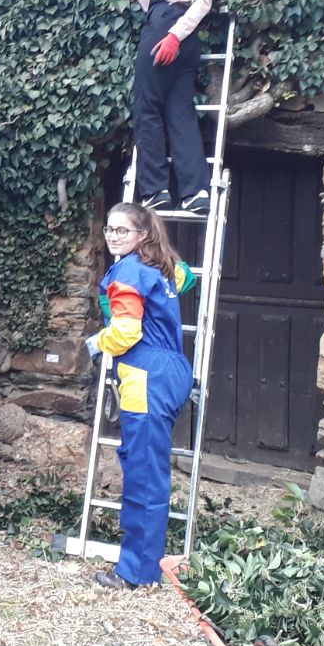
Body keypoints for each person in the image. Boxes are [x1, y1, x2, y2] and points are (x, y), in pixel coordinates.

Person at [86, 201, 194, 589]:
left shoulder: (129, 271)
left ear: (142, 234)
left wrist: (94, 343)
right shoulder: (162, 267)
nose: (113, 237)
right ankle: (144, 562)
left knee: (144, 475)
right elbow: (187, 277)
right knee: (147, 466)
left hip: (145, 375)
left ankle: (137, 572)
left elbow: (126, 332)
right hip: (172, 370)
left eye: (123, 230)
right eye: (109, 229)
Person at [124, 0, 228, 212]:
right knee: (180, 113)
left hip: (170, 30)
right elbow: (151, 4)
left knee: (146, 108)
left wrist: (173, 36)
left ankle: (155, 189)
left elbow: (202, 1)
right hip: (170, 26)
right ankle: (195, 192)